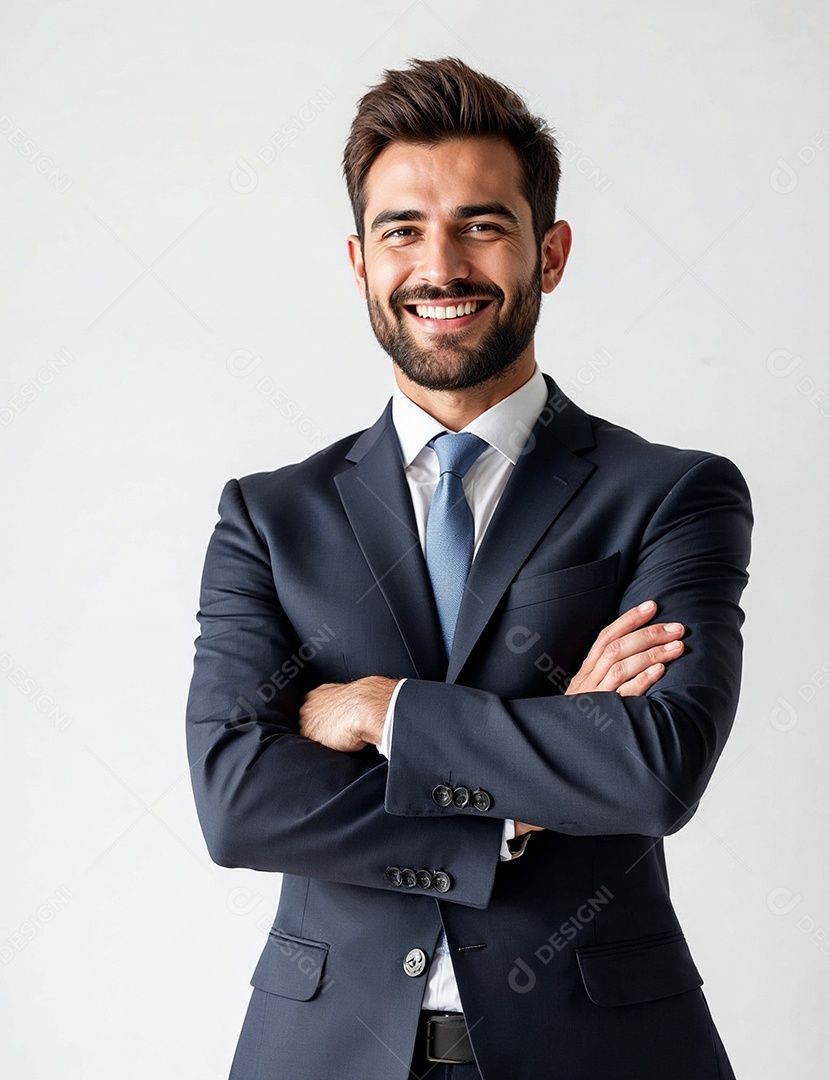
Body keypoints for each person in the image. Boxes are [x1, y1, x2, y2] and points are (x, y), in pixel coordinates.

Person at [186, 57, 751, 1080]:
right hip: (321, 1050)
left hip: (604, 1050)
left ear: (552, 251)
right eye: (404, 230)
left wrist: (385, 713)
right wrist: (518, 803)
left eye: (483, 225)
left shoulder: (671, 494)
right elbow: (240, 802)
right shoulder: (269, 518)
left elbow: (654, 765)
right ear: (360, 259)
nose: (440, 267)